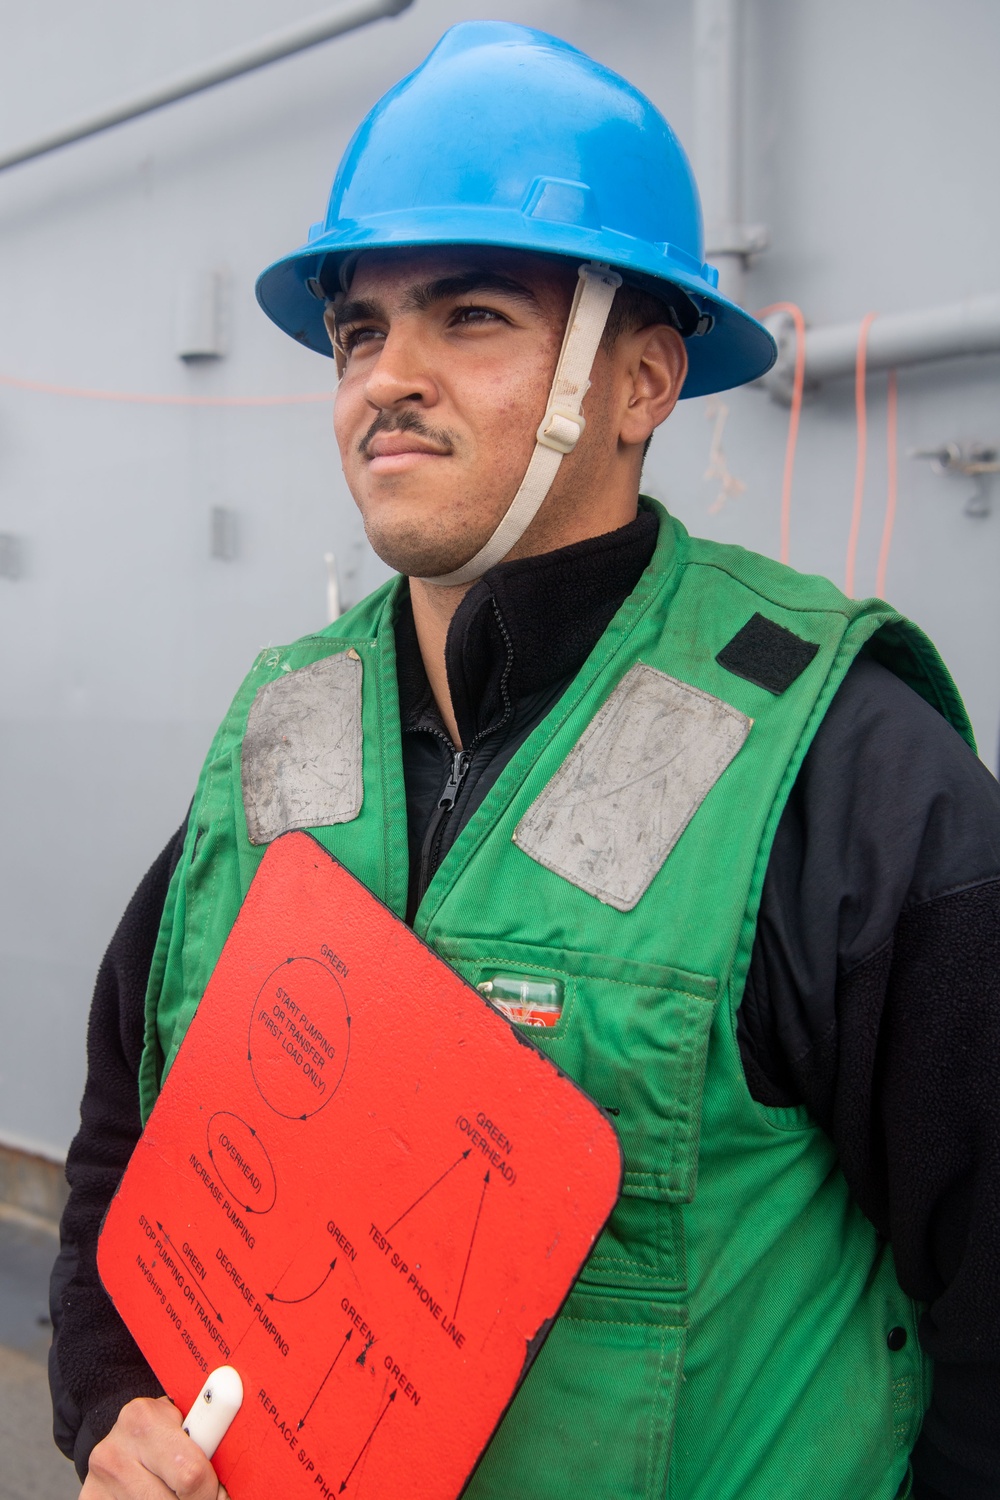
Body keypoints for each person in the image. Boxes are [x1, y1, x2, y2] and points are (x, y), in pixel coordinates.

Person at [49, 22, 1000, 1500]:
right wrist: (114, 1402)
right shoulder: (284, 732)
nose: (387, 378)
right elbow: (127, 1135)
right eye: (361, 330)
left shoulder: (839, 766)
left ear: (641, 384)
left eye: (470, 316)